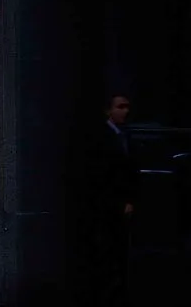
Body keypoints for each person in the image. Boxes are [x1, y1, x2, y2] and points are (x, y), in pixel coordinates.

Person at [81, 93, 136, 307]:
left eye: (127, 107)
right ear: (109, 111)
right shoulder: (102, 138)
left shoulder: (125, 135)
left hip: (119, 205)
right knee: (107, 254)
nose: (125, 111)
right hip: (106, 206)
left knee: (118, 253)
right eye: (120, 107)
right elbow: (100, 174)